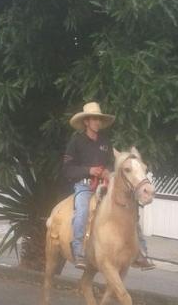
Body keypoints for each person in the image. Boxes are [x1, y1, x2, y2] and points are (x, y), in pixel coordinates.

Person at [63, 102, 154, 271]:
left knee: (130, 209)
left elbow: (113, 166)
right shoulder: (76, 141)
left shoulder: (105, 142)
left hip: (105, 185)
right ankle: (78, 252)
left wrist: (107, 172)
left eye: (99, 119)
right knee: (82, 212)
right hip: (84, 187)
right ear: (86, 122)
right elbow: (67, 169)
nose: (98, 122)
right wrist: (89, 170)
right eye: (94, 119)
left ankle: (141, 253)